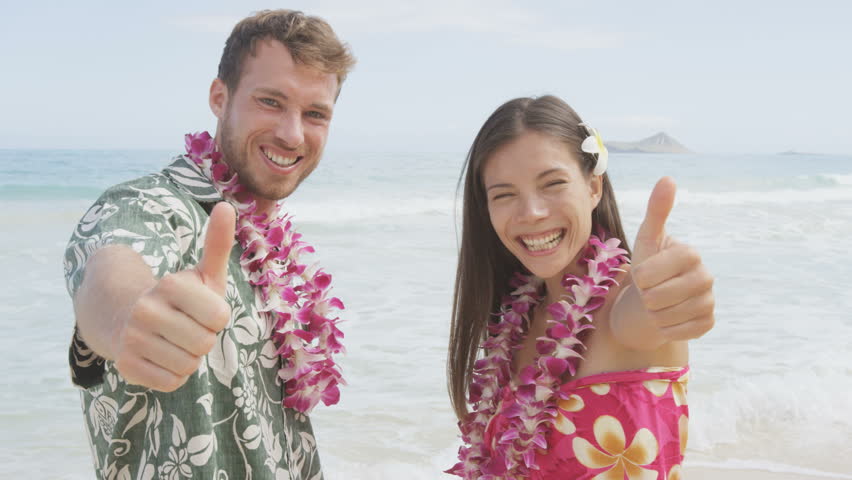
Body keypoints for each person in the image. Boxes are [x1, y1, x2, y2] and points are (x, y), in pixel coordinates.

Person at [63, 10, 355, 479]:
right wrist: (125, 320)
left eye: (315, 113)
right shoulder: (156, 205)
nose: (292, 133)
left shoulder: (271, 247)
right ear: (220, 97)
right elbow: (112, 262)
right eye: (271, 101)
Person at [447, 96, 715, 479]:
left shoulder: (626, 307)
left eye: (552, 184)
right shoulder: (514, 324)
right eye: (504, 194)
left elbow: (644, 315)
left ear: (593, 187)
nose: (532, 213)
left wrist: (671, 294)